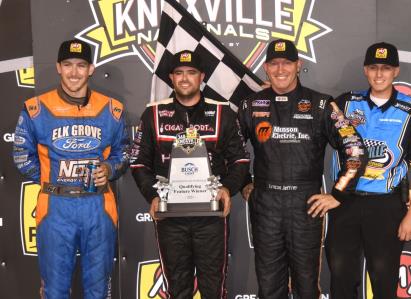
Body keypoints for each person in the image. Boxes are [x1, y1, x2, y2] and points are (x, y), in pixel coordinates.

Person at [238, 39, 366, 299]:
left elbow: (355, 149)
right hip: (265, 204)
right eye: (274, 64)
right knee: (269, 287)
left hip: (306, 203)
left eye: (287, 63)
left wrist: (338, 193)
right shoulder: (250, 105)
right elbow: (231, 151)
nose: (280, 69)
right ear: (266, 68)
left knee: (307, 287)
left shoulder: (321, 104)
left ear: (298, 65)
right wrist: (243, 182)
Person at [313, 42, 411, 299]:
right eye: (373, 67)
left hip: (387, 206)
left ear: (396, 71)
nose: (379, 74)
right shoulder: (345, 103)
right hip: (344, 203)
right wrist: (278, 94)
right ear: (365, 70)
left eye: (386, 68)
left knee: (384, 283)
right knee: (341, 281)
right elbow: (305, 115)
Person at [12, 39, 129, 299]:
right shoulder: (36, 109)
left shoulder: (113, 110)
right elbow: (21, 156)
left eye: (80, 65)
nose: (74, 72)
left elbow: (125, 153)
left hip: (98, 206)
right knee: (54, 290)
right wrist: (52, 179)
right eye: (67, 65)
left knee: (98, 291)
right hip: (55, 207)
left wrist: (109, 169)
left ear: (91, 69)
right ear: (58, 67)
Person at [130, 50, 250, 298]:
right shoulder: (153, 114)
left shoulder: (222, 113)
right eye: (179, 73)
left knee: (213, 288)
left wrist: (227, 188)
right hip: (170, 216)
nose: (185, 78)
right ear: (171, 78)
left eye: (191, 72)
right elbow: (138, 162)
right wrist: (153, 196)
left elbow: (240, 160)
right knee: (177, 288)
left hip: (211, 216)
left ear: (202, 77)